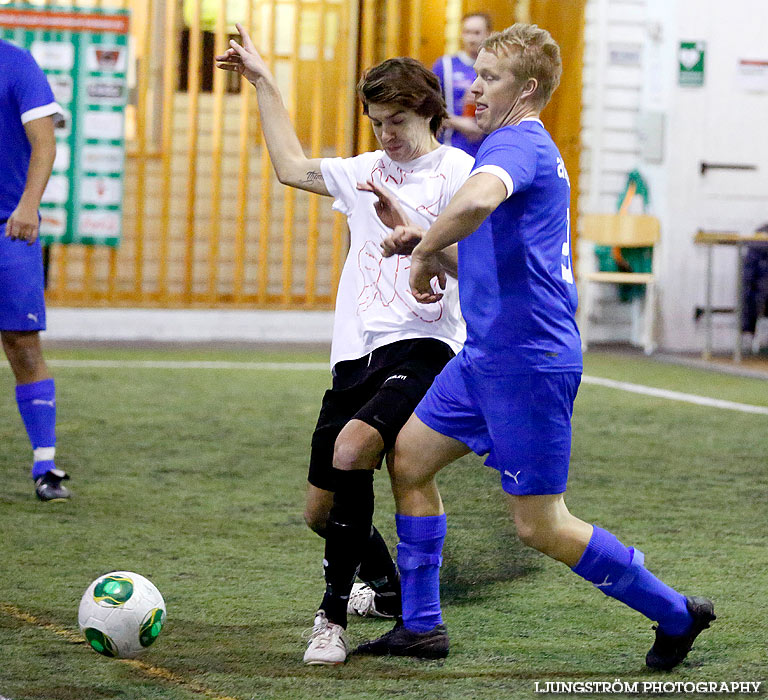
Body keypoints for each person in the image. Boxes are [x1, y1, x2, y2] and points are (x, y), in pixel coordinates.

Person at [357, 23, 715, 671]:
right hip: (485, 360)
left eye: (488, 77)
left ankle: (674, 612)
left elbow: (475, 199)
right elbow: (499, 262)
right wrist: (423, 243)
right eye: (475, 73)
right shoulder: (510, 145)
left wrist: (430, 245)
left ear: (525, 89)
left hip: (530, 366)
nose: (474, 87)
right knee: (407, 460)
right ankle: (421, 625)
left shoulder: (518, 145)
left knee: (540, 526)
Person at [215, 25, 473, 665]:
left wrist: (422, 240)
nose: (387, 134)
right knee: (318, 511)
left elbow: (480, 269)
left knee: (355, 447)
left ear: (430, 112)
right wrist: (265, 81)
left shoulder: (460, 173)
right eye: (378, 121)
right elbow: (289, 166)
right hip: (355, 353)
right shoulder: (362, 172)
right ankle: (384, 588)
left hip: (424, 342)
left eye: (399, 120)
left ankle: (330, 617)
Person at [0, 38, 70, 502]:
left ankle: (45, 466)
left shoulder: (16, 62)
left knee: (22, 345)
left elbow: (44, 142)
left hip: (9, 229)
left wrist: (27, 206)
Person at [432, 12, 492, 158]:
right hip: (450, 149)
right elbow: (429, 109)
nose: (471, 38)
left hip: (485, 151)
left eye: (477, 33)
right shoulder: (444, 65)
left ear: (489, 34)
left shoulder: (498, 68)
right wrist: (459, 123)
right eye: (467, 32)